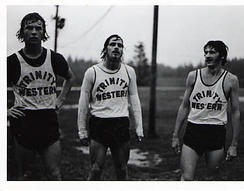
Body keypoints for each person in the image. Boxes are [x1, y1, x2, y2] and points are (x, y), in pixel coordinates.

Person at [7, 12, 75, 180]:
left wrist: (60, 100)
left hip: (48, 120)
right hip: (24, 120)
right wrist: (5, 111)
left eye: (38, 28)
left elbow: (70, 78)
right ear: (22, 32)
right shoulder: (12, 62)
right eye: (29, 28)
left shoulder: (54, 58)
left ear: (44, 33)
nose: (34, 32)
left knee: (54, 174)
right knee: (24, 175)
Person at [77, 34, 144, 180]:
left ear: (122, 51)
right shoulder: (92, 72)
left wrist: (139, 126)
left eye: (120, 45)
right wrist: (82, 130)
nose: (116, 47)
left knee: (121, 170)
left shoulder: (129, 71)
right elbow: (83, 102)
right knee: (95, 169)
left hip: (120, 123)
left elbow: (134, 99)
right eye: (113, 44)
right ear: (105, 49)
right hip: (99, 123)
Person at [171, 40, 240, 181]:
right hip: (193, 130)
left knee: (211, 180)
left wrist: (234, 145)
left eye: (212, 52)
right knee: (186, 178)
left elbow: (235, 112)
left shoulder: (231, 80)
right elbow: (184, 106)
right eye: (206, 52)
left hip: (216, 132)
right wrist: (175, 135)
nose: (207, 55)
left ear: (222, 56)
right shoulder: (193, 76)